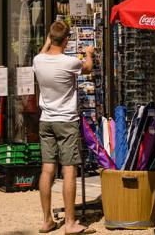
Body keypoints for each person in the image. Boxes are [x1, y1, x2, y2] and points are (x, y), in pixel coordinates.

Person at [34, 21, 94, 234]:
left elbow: (43, 53)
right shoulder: (69, 63)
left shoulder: (38, 60)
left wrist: (48, 41)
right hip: (66, 121)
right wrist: (89, 53)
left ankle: (46, 220)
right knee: (69, 169)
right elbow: (87, 68)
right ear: (67, 39)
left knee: (47, 168)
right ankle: (69, 223)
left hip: (46, 121)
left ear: (51, 39)